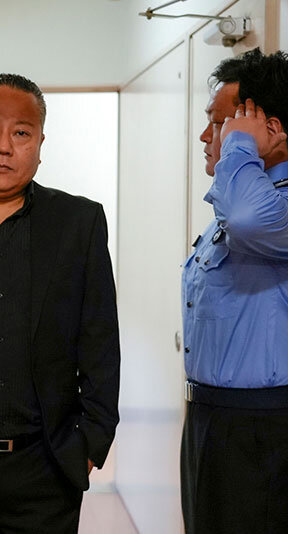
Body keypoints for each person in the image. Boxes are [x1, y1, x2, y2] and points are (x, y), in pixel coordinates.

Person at [0, 74, 120, 534]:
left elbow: (100, 342)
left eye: (21, 132)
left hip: (46, 470)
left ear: (40, 144)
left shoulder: (78, 222)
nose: (3, 146)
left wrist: (90, 444)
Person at [181, 48, 288, 534]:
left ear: (271, 128)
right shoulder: (235, 205)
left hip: (263, 428)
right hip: (213, 418)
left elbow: (248, 221)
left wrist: (240, 146)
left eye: (220, 123)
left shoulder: (268, 210)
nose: (207, 137)